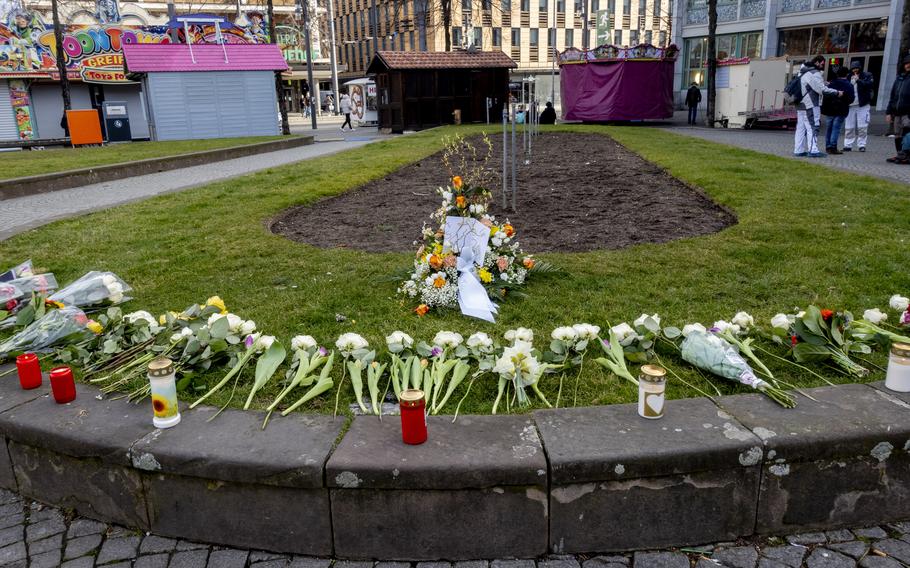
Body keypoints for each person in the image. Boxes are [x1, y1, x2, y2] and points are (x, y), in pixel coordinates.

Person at [794, 55, 842, 158]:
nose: (822, 66)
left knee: (801, 128)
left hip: (800, 104)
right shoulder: (814, 73)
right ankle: (813, 150)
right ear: (817, 62)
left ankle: (798, 150)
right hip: (810, 104)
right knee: (812, 127)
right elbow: (821, 90)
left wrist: (823, 83)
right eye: (822, 64)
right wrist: (837, 92)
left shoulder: (802, 72)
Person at [821, 66, 853, 155]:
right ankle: (833, 146)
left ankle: (828, 146)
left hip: (830, 109)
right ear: (847, 74)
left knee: (829, 128)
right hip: (841, 109)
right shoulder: (848, 85)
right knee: (836, 128)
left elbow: (826, 95)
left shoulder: (832, 83)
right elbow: (851, 99)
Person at [843, 62, 874, 152]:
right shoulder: (848, 77)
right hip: (850, 105)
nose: (855, 70)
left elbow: (869, 85)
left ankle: (862, 144)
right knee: (849, 126)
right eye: (853, 69)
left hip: (863, 105)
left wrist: (859, 81)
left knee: (862, 126)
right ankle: (848, 144)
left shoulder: (867, 75)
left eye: (856, 68)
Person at [886, 56, 910, 164]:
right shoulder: (899, 78)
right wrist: (889, 112)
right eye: (906, 63)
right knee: (897, 134)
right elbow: (893, 96)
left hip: (908, 112)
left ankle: (907, 155)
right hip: (897, 112)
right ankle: (900, 154)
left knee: (907, 133)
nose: (908, 65)